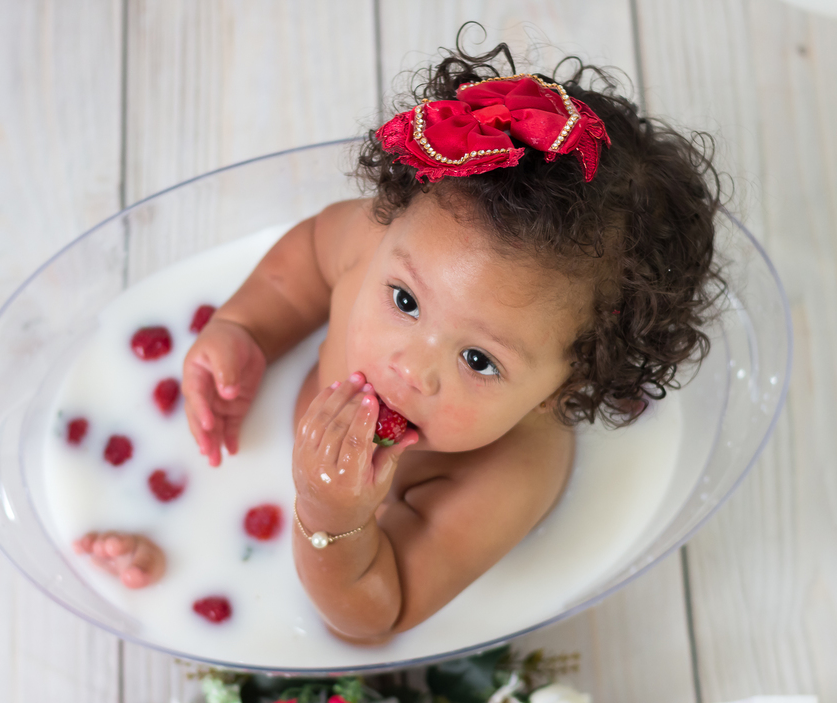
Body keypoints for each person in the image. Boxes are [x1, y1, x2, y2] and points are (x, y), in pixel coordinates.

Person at [77, 41, 724, 643]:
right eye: (405, 302)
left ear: (569, 385)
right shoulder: (375, 242)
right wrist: (245, 329)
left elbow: (373, 615)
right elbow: (304, 259)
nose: (410, 367)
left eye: (479, 360)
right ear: (390, 218)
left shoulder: (506, 474)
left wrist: (331, 516)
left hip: (322, 533)